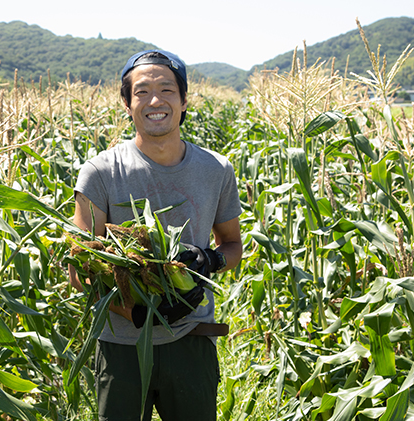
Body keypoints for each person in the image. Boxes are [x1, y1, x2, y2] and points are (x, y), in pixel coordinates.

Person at [69, 49, 242, 421]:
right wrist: (138, 312)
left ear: (183, 101)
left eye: (166, 89)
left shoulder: (216, 170)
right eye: (142, 91)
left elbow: (233, 246)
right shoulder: (101, 172)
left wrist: (210, 260)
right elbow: (80, 269)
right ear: (128, 104)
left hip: (192, 342)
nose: (155, 101)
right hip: (122, 346)